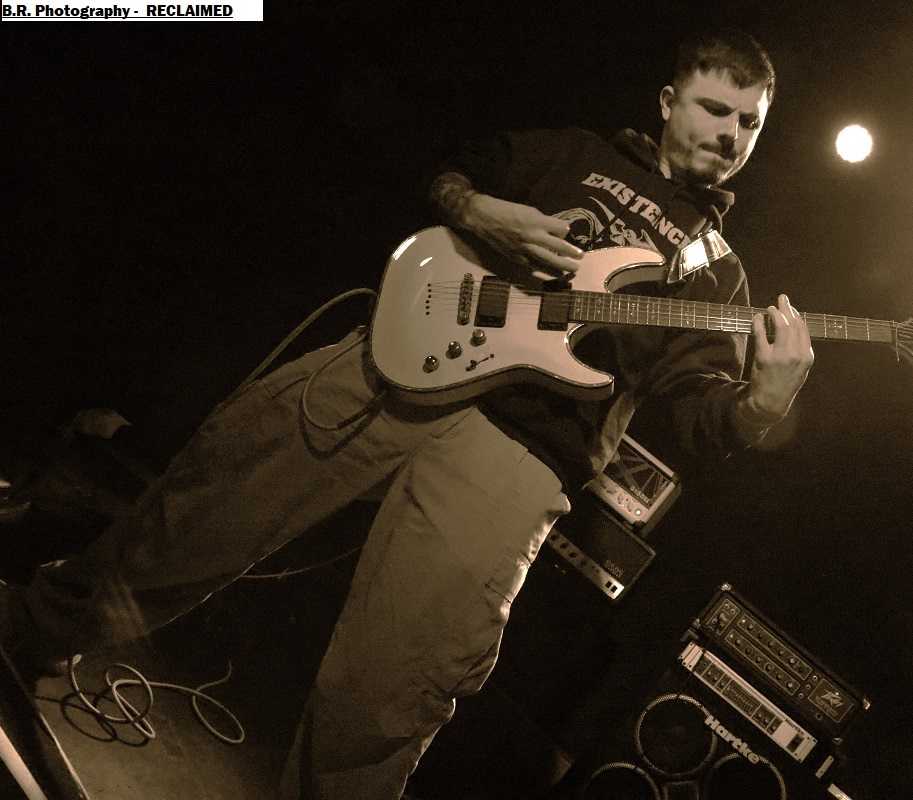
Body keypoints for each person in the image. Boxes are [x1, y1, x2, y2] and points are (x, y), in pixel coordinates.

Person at [0, 25, 814, 800]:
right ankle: (28, 630)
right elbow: (449, 169)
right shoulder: (573, 152)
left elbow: (702, 417)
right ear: (668, 101)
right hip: (400, 357)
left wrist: (762, 405)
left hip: (521, 455)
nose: (731, 134)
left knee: (391, 690)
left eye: (750, 122)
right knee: (201, 510)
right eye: (716, 109)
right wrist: (478, 210)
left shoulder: (717, 275)